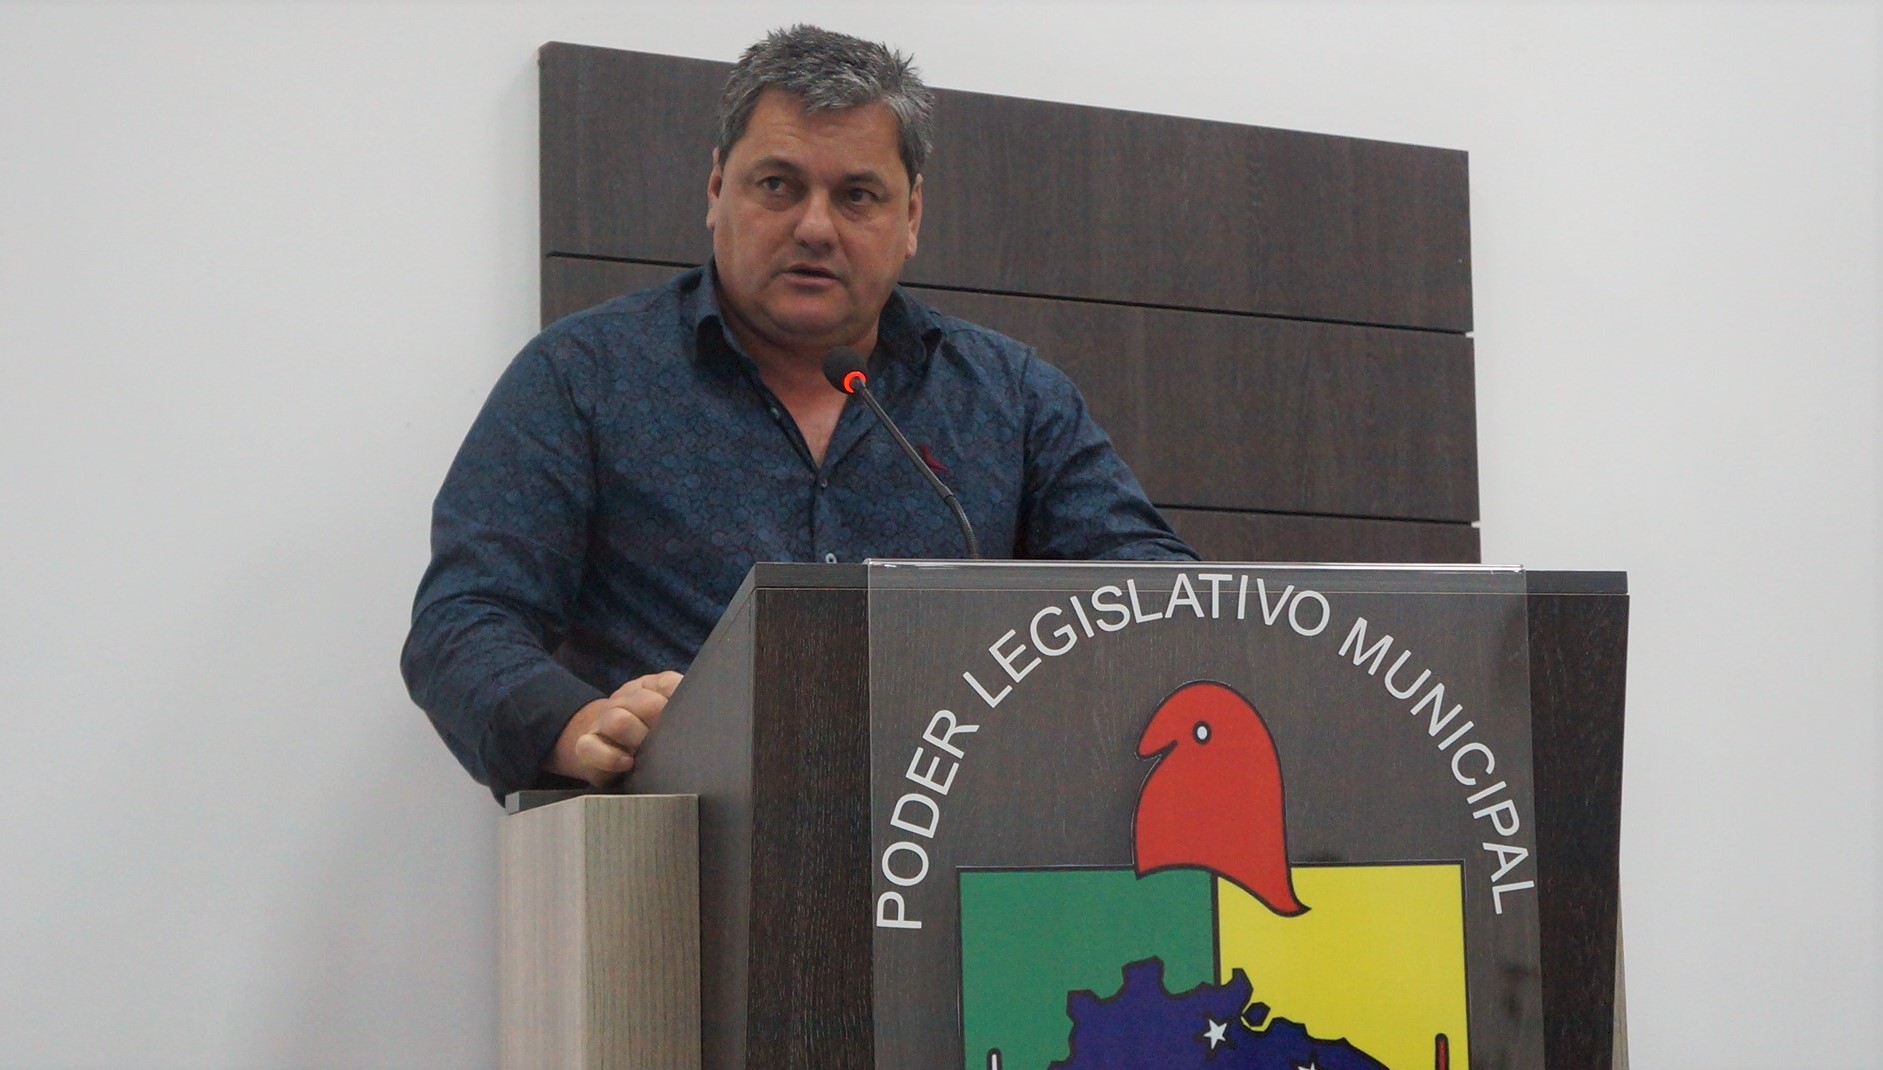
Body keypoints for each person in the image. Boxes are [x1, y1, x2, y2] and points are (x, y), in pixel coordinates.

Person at [402, 25, 1195, 802]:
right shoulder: (581, 377)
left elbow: (1159, 599)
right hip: (669, 849)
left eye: (857, 196)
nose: (815, 227)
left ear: (910, 218)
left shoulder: (1011, 397)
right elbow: (464, 621)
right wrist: (577, 725)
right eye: (778, 185)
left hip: (948, 834)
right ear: (717, 190)